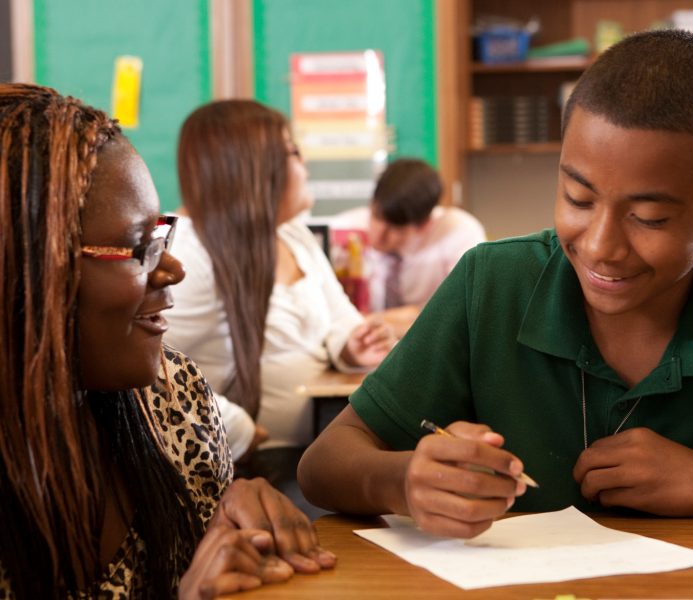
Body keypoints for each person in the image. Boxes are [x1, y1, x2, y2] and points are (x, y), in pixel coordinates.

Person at [298, 29, 693, 539]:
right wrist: (406, 480)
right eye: (578, 198)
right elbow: (322, 465)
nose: (601, 245)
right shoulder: (491, 284)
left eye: (648, 217)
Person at [0, 83, 334, 598]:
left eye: (160, 237)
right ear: (25, 267)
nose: (172, 269)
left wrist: (230, 524)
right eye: (139, 247)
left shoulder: (174, 394)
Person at [163, 100, 394, 507]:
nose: (306, 165)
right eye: (293, 152)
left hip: (313, 448)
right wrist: (232, 427)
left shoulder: (293, 236)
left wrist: (352, 343)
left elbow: (340, 319)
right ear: (253, 166)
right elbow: (150, 369)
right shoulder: (188, 250)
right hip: (244, 465)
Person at [332, 158, 486, 336]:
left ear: (424, 224)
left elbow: (465, 311)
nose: (378, 234)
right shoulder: (342, 229)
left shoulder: (458, 231)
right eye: (375, 216)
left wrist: (379, 323)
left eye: (396, 228)